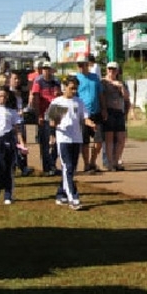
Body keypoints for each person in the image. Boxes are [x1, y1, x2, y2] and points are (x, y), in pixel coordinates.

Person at [49, 76, 93, 210]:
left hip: (76, 139)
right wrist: (54, 131)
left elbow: (84, 117)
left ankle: (60, 194)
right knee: (67, 166)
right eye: (71, 88)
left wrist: (90, 123)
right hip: (64, 139)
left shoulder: (78, 102)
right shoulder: (57, 102)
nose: (73, 91)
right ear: (64, 87)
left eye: (75, 89)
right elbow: (52, 122)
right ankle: (73, 198)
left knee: (71, 169)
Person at [76, 54, 106, 174]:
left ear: (88, 64)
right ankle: (86, 164)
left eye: (83, 64)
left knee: (98, 140)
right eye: (79, 65)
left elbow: (101, 94)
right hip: (83, 114)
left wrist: (104, 109)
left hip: (96, 112)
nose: (81, 67)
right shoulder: (76, 79)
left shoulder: (95, 78)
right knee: (85, 141)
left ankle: (93, 161)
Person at [30, 61, 61, 176]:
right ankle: (47, 167)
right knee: (45, 142)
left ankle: (52, 163)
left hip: (55, 114)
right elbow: (36, 99)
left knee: (57, 141)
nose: (46, 71)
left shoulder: (56, 81)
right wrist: (39, 115)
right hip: (44, 114)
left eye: (48, 69)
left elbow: (60, 97)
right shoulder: (38, 82)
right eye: (44, 69)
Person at [101, 61, 130, 171]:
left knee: (121, 138)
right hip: (109, 111)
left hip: (119, 112)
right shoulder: (103, 82)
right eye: (109, 69)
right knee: (109, 139)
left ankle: (116, 160)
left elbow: (126, 98)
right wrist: (104, 110)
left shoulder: (122, 83)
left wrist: (121, 87)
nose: (111, 71)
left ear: (117, 71)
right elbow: (102, 97)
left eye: (114, 69)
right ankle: (109, 163)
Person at [8, 71, 32, 176]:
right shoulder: (6, 93)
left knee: (22, 143)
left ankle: (23, 167)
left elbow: (27, 104)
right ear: (10, 79)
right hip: (10, 122)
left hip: (20, 120)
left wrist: (24, 110)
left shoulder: (22, 92)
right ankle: (11, 166)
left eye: (18, 79)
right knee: (10, 144)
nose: (17, 81)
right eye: (14, 79)